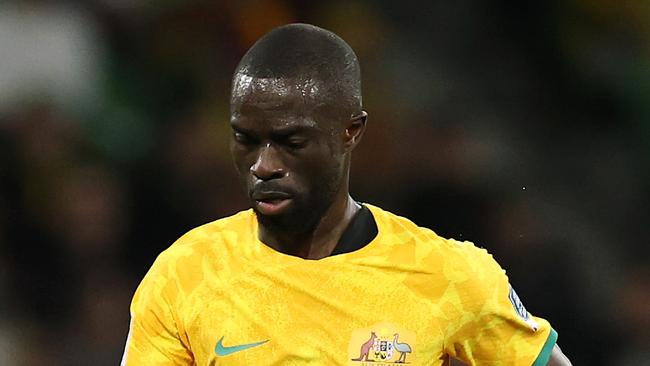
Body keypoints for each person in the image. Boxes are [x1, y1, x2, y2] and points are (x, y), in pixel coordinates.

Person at [121, 23, 572, 365]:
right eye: (246, 139)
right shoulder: (184, 275)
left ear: (350, 132)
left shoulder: (450, 277)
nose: (264, 165)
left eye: (291, 143)